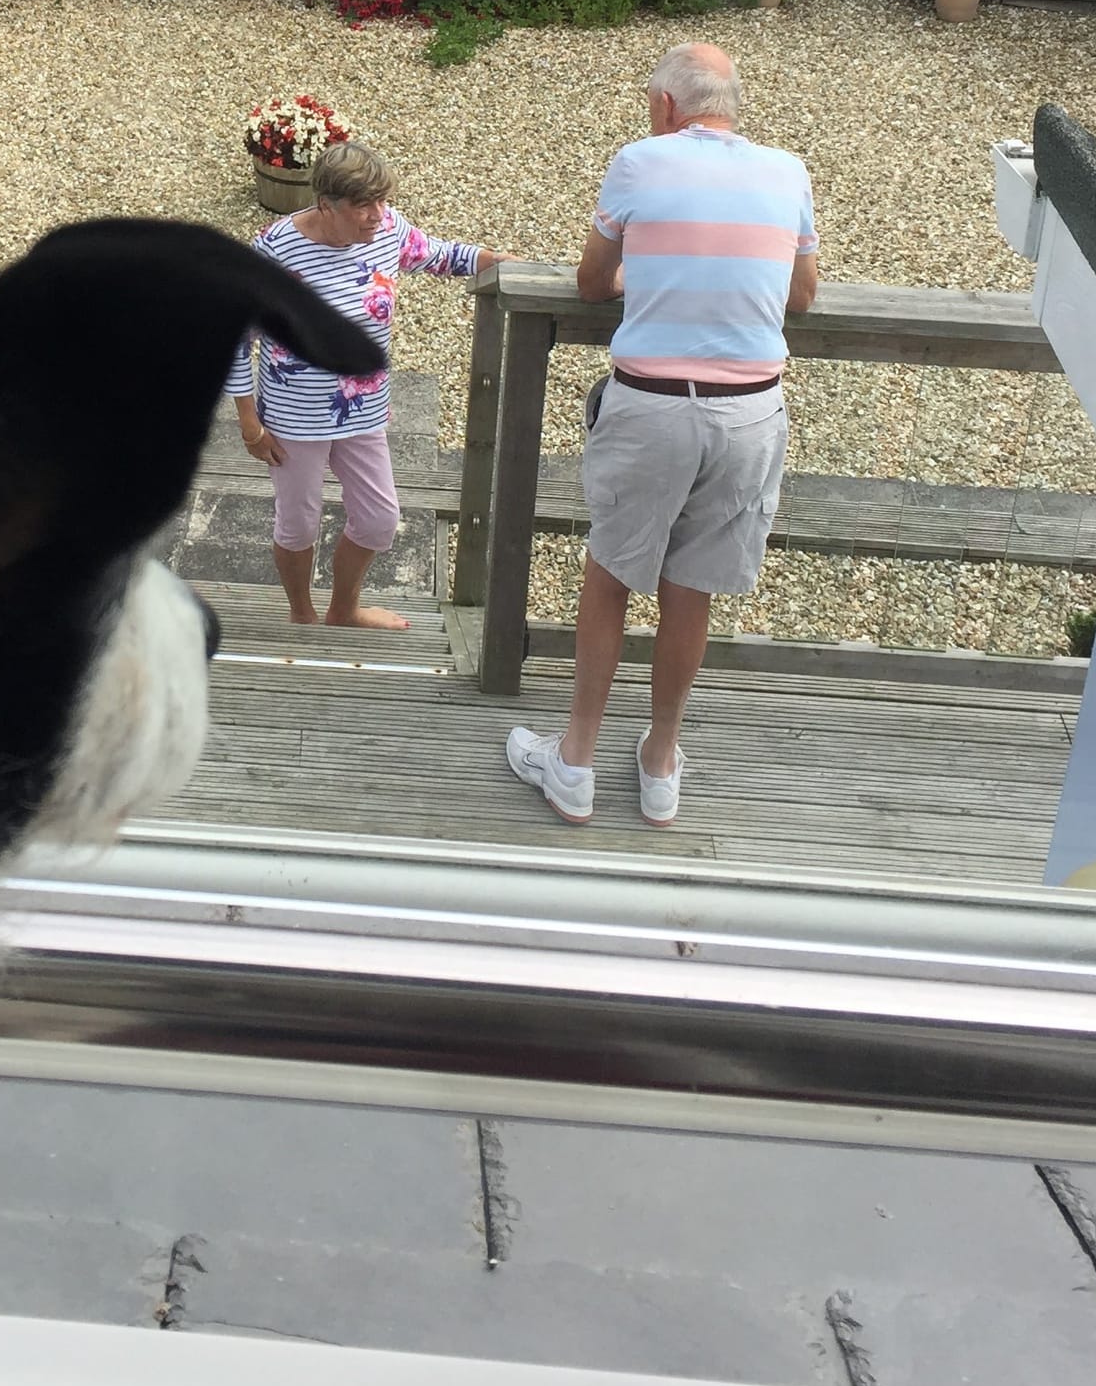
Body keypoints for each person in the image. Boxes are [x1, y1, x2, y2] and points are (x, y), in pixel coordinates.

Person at [506, 42, 817, 827]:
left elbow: (588, 279)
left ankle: (574, 760)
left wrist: (637, 279)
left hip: (651, 404)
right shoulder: (789, 170)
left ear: (667, 108)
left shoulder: (640, 161)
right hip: (750, 410)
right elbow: (803, 294)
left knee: (610, 575)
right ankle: (660, 762)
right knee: (692, 588)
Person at [228, 141, 504, 632]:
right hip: (294, 418)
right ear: (324, 206)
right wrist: (249, 421)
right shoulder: (274, 250)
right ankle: (302, 614)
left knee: (379, 519)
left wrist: (504, 262)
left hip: (363, 411)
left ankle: (343, 609)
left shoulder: (388, 228)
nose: (377, 215)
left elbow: (440, 254)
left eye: (381, 201)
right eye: (362, 205)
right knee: (299, 523)